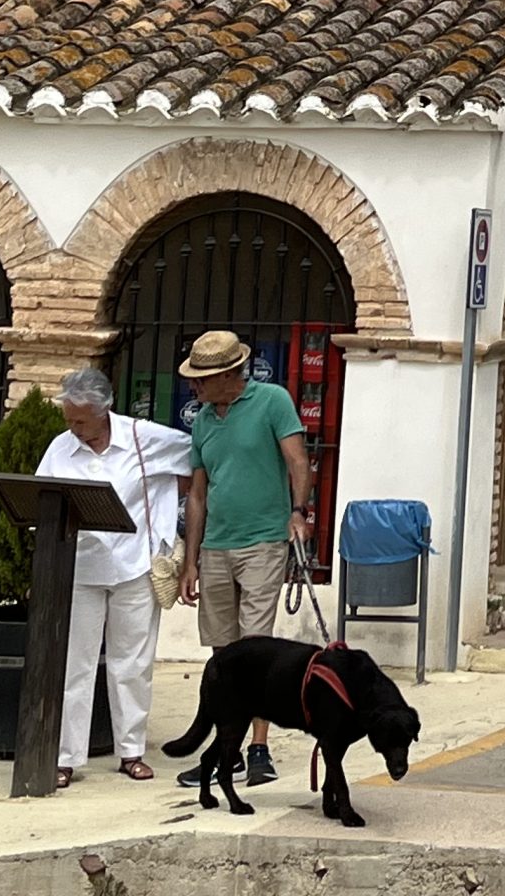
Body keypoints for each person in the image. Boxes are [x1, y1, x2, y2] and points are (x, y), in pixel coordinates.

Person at [34, 366, 193, 791]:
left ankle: (131, 752)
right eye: (69, 419)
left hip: (134, 567)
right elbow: (42, 501)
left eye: (80, 421)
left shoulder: (144, 438)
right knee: (75, 665)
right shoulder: (60, 448)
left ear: (104, 411)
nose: (73, 428)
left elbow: (198, 459)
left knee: (133, 664)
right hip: (80, 568)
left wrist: (165, 511)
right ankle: (66, 757)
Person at [175, 329, 313, 789]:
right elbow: (197, 494)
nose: (193, 387)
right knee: (223, 655)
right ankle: (227, 751)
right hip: (216, 545)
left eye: (202, 379)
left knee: (256, 648)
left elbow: (298, 461)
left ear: (230, 374)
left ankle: (258, 748)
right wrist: (190, 560)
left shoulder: (272, 400)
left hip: (263, 542)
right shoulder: (202, 421)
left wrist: (298, 512)